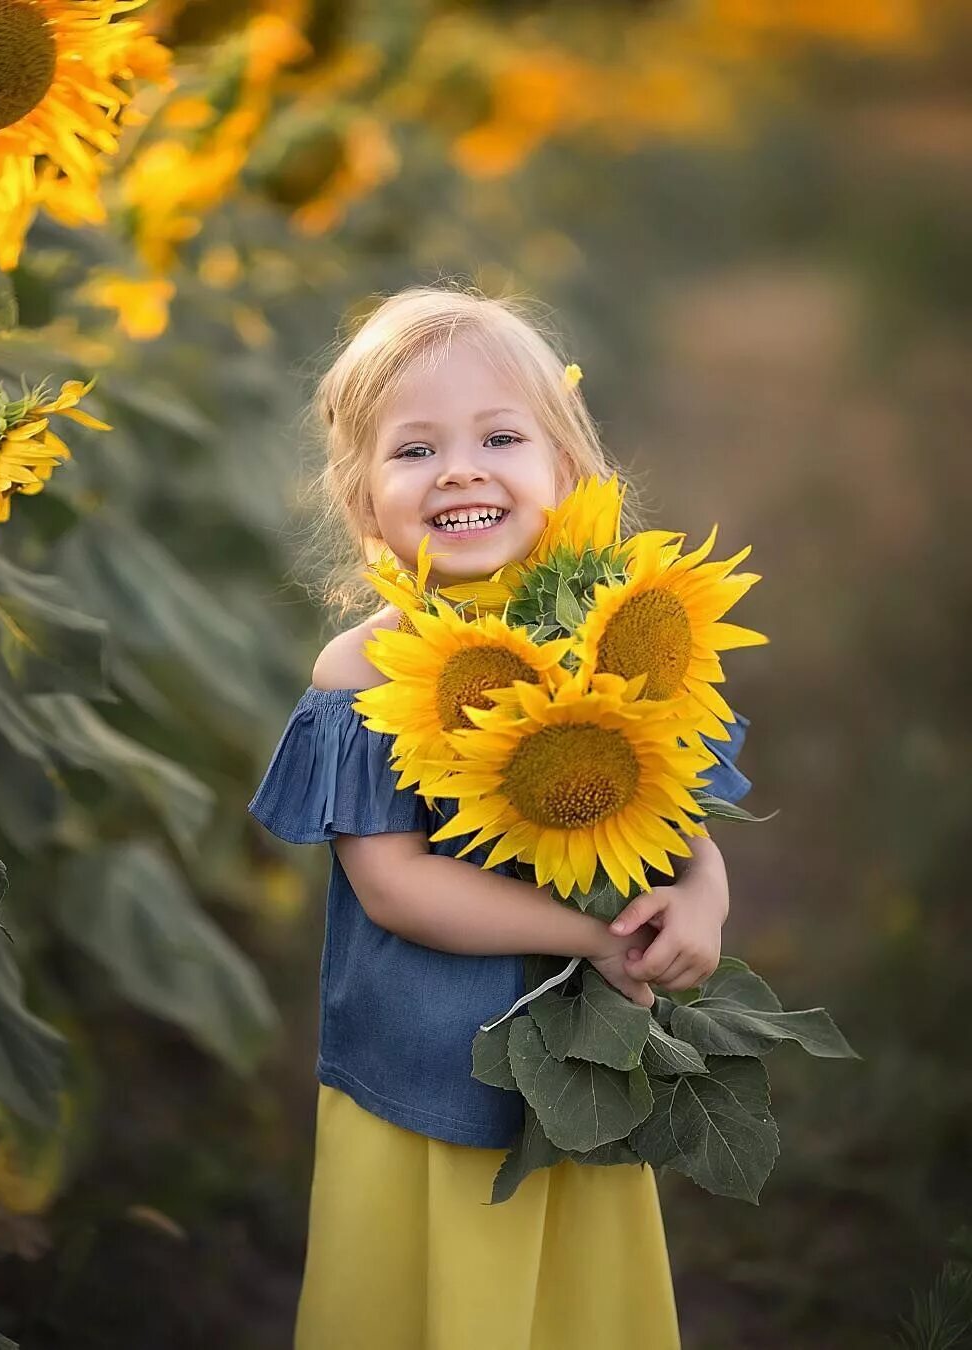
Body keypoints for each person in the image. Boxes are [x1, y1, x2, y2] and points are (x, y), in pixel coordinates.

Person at [247, 284, 752, 1350]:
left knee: (576, 1304)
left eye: (500, 437)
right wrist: (598, 939)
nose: (462, 469)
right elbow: (396, 885)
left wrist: (701, 895)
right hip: (424, 1073)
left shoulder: (619, 639)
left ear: (569, 473)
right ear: (362, 501)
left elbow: (680, 820)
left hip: (584, 1067)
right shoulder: (367, 673)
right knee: (433, 1304)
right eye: (415, 450)